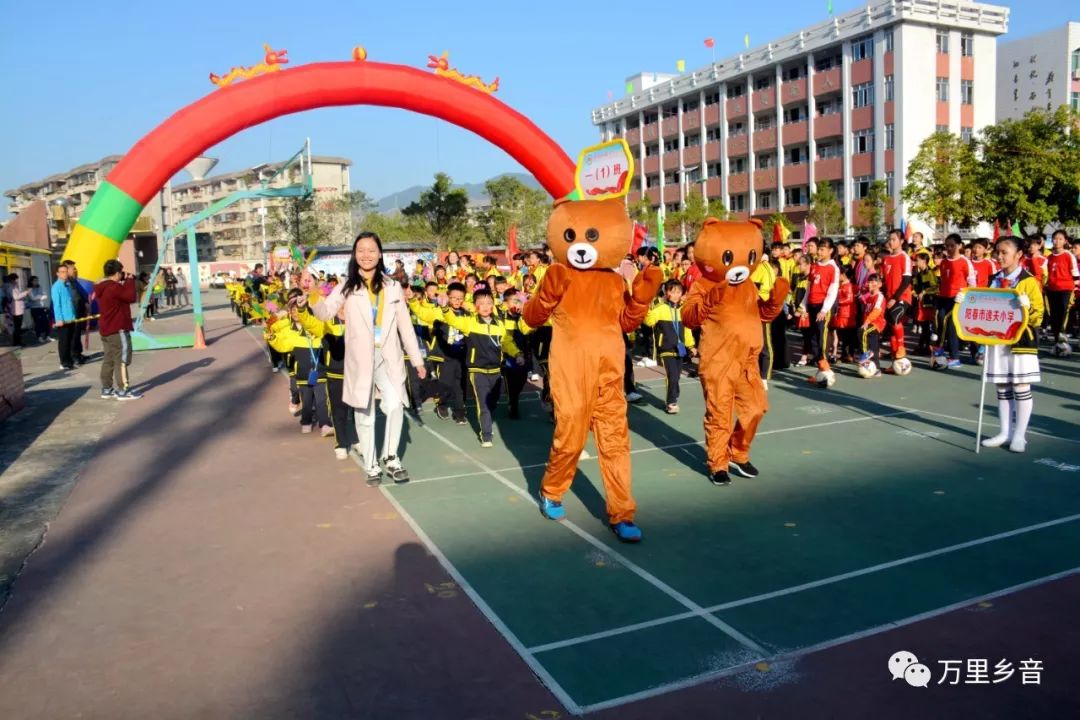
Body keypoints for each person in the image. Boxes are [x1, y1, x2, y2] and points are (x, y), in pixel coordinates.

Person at [310, 232, 426, 486]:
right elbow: (325, 313)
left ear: (380, 254)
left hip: (388, 356)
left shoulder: (392, 286)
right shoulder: (347, 286)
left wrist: (417, 360)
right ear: (355, 254)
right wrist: (313, 295)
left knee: (395, 404)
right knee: (364, 412)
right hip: (360, 359)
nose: (366, 255)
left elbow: (405, 326)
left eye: (371, 250)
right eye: (361, 250)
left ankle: (391, 457)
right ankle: (371, 465)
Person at [437, 287, 524, 447]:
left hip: (496, 370)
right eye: (481, 303)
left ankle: (487, 418)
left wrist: (517, 353)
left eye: (489, 303)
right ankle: (486, 435)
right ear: (475, 306)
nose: (485, 306)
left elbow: (506, 342)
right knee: (483, 403)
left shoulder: (499, 324)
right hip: (477, 370)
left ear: (493, 305)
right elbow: (453, 320)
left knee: (493, 401)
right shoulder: (469, 322)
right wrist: (444, 308)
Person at [980, 236, 1044, 453]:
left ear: (1019, 255)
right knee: (1002, 386)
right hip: (998, 340)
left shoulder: (1028, 281)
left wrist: (1027, 308)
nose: (999, 256)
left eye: (1004, 252)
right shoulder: (994, 279)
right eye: (997, 252)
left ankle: (1019, 435)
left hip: (1021, 340)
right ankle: (1004, 432)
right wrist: (967, 302)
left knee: (1021, 386)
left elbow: (1038, 316)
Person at [644, 279, 696, 413]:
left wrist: (691, 346)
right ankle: (671, 402)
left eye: (679, 292)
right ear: (667, 293)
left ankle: (673, 398)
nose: (676, 295)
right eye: (673, 292)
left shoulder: (683, 309)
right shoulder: (660, 308)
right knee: (672, 376)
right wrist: (647, 308)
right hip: (666, 348)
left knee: (676, 377)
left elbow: (687, 329)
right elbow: (648, 321)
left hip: (680, 349)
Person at [94, 259, 141, 400]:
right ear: (116, 273)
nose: (122, 275)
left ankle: (107, 389)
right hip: (117, 328)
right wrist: (130, 281)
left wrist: (125, 282)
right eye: (121, 272)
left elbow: (122, 296)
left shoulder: (102, 286)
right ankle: (123, 390)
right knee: (122, 359)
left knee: (108, 359)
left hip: (106, 328)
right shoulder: (113, 287)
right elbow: (130, 297)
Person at [797, 237, 840, 380]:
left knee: (822, 337)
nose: (819, 252)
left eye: (822, 249)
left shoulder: (833, 268)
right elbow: (809, 288)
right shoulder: (815, 266)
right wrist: (804, 305)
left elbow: (832, 291)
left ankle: (825, 367)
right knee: (813, 337)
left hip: (823, 306)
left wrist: (824, 309)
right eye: (819, 249)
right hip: (812, 304)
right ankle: (820, 369)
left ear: (830, 251)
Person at [934, 233, 976, 369]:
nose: (949, 248)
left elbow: (972, 282)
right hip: (943, 297)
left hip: (957, 299)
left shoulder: (965, 261)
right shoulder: (944, 262)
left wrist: (966, 296)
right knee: (940, 321)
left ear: (959, 246)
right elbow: (943, 281)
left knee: (952, 326)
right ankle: (940, 348)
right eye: (947, 246)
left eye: (952, 246)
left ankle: (955, 357)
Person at [880, 228, 914, 373]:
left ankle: (901, 347)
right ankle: (895, 362)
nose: (891, 242)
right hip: (889, 298)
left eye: (894, 239)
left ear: (901, 241)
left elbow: (906, 280)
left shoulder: (904, 257)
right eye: (890, 239)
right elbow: (884, 281)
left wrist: (895, 298)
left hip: (901, 297)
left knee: (895, 318)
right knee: (891, 328)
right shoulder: (886, 259)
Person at [1045, 230, 1078, 347]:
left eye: (1060, 239)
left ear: (1065, 241)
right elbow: (1046, 274)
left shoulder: (1068, 255)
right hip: (1052, 290)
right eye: (1055, 239)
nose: (1057, 241)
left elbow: (1075, 274)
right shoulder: (1049, 257)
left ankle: (1063, 341)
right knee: (1054, 316)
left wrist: (1075, 290)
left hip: (1066, 290)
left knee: (1063, 314)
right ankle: (1056, 342)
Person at [50, 264, 79, 370]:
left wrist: (74, 316)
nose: (65, 274)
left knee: (70, 341)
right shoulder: (56, 287)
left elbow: (69, 303)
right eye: (62, 272)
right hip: (63, 320)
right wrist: (59, 319)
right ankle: (64, 362)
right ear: (57, 274)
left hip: (71, 318)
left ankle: (69, 361)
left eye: (66, 271)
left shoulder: (66, 285)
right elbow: (57, 305)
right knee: (64, 341)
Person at [858, 274, 886, 374]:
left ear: (879, 284)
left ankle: (865, 355)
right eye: (869, 282)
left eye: (872, 282)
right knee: (873, 345)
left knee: (862, 331)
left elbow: (877, 311)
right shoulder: (869, 297)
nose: (870, 284)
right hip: (869, 322)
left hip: (876, 323)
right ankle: (876, 368)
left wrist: (867, 322)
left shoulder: (880, 296)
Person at [5, 273, 29, 347]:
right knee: (17, 327)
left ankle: (17, 341)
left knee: (18, 326)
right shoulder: (11, 288)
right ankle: (17, 342)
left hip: (19, 309)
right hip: (16, 310)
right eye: (16, 279)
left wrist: (23, 295)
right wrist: (25, 293)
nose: (17, 281)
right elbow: (16, 297)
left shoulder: (15, 287)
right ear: (12, 280)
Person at [27, 276, 51, 343]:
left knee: (46, 322)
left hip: (42, 307)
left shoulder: (40, 287)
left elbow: (45, 296)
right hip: (34, 308)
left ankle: (47, 336)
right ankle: (39, 337)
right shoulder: (29, 289)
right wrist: (40, 296)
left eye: (37, 280)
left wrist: (38, 297)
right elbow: (32, 298)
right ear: (31, 281)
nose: (36, 282)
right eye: (35, 280)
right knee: (38, 323)